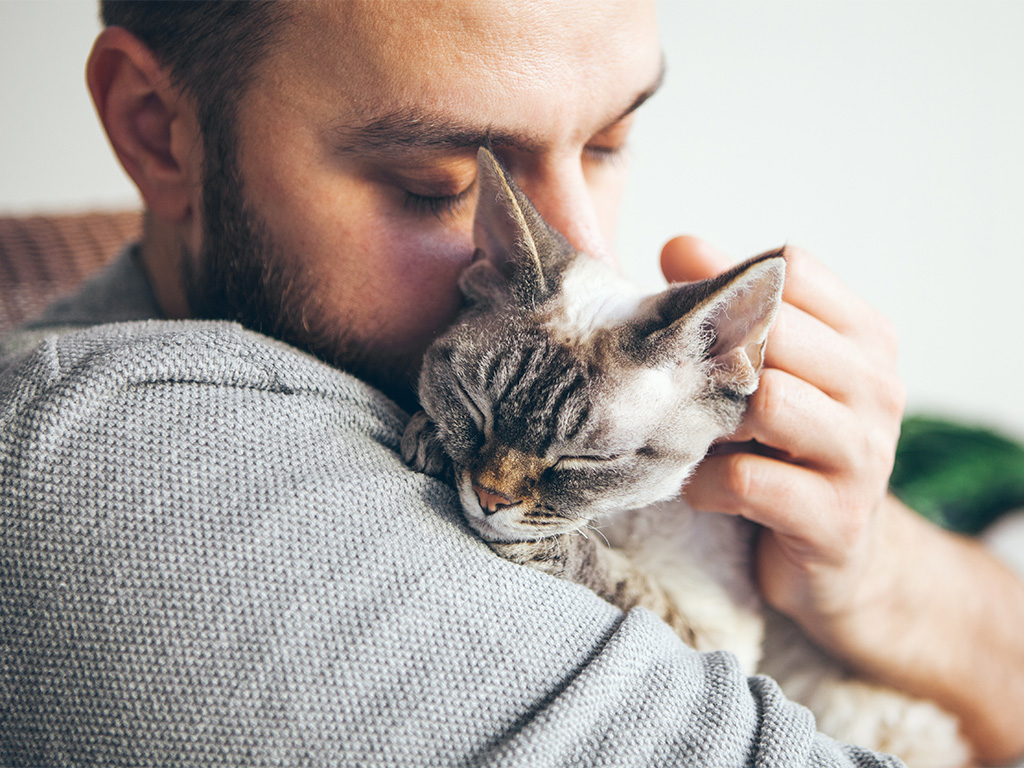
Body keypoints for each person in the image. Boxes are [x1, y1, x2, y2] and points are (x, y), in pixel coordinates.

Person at [1, 1, 1021, 765]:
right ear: (154, 127)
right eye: (438, 186)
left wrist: (883, 573)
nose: (582, 252)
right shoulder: (120, 470)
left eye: (611, 139)